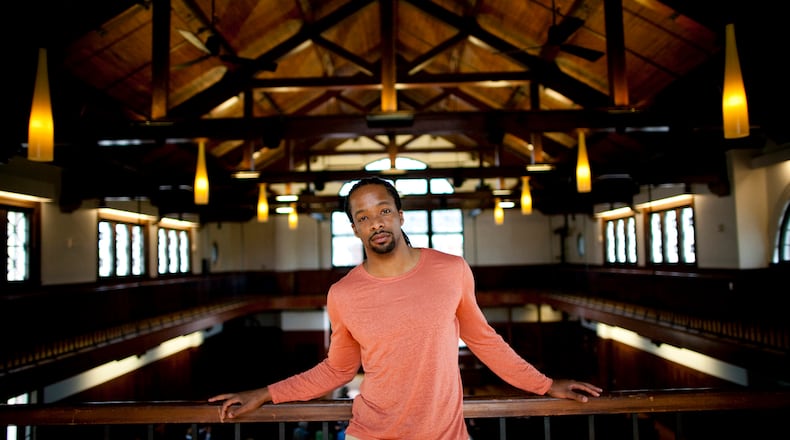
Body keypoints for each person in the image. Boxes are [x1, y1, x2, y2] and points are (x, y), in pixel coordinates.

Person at [209, 177, 603, 439]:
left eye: (383, 211)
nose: (375, 222)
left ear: (400, 215)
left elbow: (485, 340)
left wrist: (546, 384)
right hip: (370, 434)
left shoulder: (451, 270)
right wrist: (265, 393)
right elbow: (337, 369)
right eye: (363, 217)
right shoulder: (343, 294)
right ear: (355, 228)